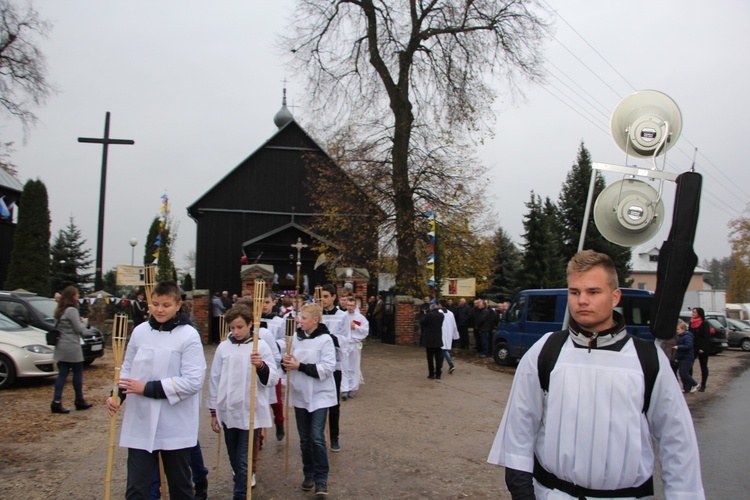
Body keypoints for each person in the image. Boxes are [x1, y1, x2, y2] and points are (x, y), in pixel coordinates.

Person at [488, 250, 705, 499]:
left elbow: (677, 439)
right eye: (574, 292)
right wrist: (522, 492)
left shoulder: (648, 359)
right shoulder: (546, 351)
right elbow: (519, 427)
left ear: (614, 297)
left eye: (593, 292)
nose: (582, 300)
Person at [105, 281, 206, 499]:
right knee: (136, 488)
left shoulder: (188, 335)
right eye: (156, 304)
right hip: (141, 420)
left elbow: (193, 380)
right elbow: (127, 368)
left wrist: (148, 388)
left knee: (180, 486)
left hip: (175, 423)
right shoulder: (140, 332)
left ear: (178, 305)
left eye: (166, 305)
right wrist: (117, 395)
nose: (160, 309)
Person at [207, 304, 279, 497]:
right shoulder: (223, 347)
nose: (236, 331)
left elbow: (273, 378)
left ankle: (240, 493)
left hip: (250, 410)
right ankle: (241, 479)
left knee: (243, 457)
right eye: (232, 328)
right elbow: (215, 378)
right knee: (233, 456)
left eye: (240, 327)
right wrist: (213, 410)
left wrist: (261, 366)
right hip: (228, 410)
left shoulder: (260, 346)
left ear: (250, 324)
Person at [282, 302, 337, 497]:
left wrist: (301, 366)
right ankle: (309, 473)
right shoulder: (294, 339)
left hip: (320, 395)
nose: (299, 321)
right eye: (299, 317)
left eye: (303, 318)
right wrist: (285, 362)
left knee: (317, 437)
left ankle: (322, 479)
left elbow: (328, 367)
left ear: (315, 320)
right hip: (300, 394)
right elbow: (285, 359)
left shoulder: (325, 340)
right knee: (305, 439)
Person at [50, 286, 92, 414]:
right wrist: (84, 322)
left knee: (62, 374)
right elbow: (79, 329)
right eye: (76, 295)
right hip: (72, 346)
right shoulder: (72, 310)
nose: (78, 296)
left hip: (61, 346)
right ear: (73, 296)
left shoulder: (59, 310)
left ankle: (56, 401)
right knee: (77, 373)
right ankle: (79, 400)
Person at [319, 283, 345, 452]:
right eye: (321, 296)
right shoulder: (316, 315)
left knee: (333, 403)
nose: (323, 300)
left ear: (334, 297)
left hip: (335, 364)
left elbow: (345, 340)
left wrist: (329, 337)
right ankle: (318, 437)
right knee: (318, 402)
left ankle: (334, 437)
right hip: (318, 364)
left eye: (326, 296)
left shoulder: (342, 316)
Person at [341, 295, 369, 399]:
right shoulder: (343, 316)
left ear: (355, 306)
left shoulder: (360, 318)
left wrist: (355, 327)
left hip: (354, 344)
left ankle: (351, 388)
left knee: (353, 367)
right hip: (345, 344)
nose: (349, 307)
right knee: (344, 366)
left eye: (352, 305)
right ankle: (344, 389)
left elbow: (365, 330)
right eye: (348, 305)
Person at [420, 303, 445, 379]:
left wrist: (424, 314)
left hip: (430, 339)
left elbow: (422, 323)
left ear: (431, 308)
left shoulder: (428, 315)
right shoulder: (441, 315)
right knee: (438, 358)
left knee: (430, 358)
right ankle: (438, 374)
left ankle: (431, 374)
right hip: (438, 338)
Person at [674, 319, 699, 393]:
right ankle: (686, 388)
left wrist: (678, 347)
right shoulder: (682, 336)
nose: (677, 331)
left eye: (678, 329)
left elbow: (689, 346)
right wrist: (677, 357)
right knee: (682, 373)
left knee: (684, 373)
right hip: (683, 357)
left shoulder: (687, 336)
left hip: (687, 358)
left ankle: (696, 384)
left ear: (683, 329)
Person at [690, 307, 711, 392]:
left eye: (694, 312)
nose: (693, 313)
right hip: (693, 347)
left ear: (699, 313)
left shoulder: (704, 323)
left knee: (703, 366)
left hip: (702, 348)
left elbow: (706, 337)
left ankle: (703, 385)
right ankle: (691, 384)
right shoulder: (691, 323)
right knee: (689, 365)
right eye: (693, 312)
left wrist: (703, 348)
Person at [438, 299, 459, 374]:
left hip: (441, 333)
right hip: (448, 334)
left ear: (440, 305)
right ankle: (440, 366)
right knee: (443, 350)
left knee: (443, 350)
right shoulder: (450, 313)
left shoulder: (438, 312)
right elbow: (454, 325)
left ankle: (450, 364)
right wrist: (455, 335)